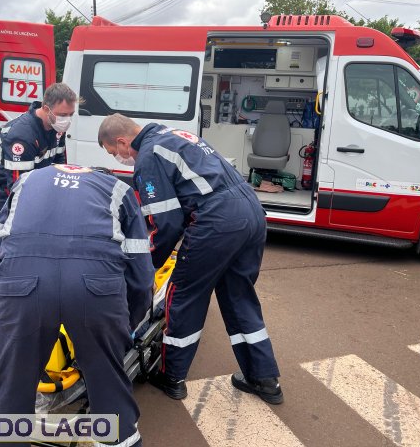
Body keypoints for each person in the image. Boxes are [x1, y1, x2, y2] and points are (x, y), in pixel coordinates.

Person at [98, 113, 283, 405]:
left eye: (113, 152)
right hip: (250, 212)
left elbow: (166, 223)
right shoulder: (173, 135)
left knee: (184, 294)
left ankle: (172, 377)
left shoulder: (148, 156)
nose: (119, 158)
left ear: (122, 141)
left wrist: (147, 264)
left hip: (218, 221)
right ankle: (264, 379)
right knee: (239, 296)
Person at [0, 163, 154, 447]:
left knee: (10, 387)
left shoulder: (27, 181)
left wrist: (3, 299)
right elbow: (141, 275)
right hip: (96, 286)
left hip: (22, 281)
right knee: (108, 383)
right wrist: (125, 326)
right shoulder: (119, 189)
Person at [0, 83, 77, 211]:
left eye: (71, 114)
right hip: (9, 191)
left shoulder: (56, 126)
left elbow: (60, 162)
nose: (67, 120)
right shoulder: (22, 136)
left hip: (38, 183)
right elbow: (18, 186)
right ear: (46, 109)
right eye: (63, 115)